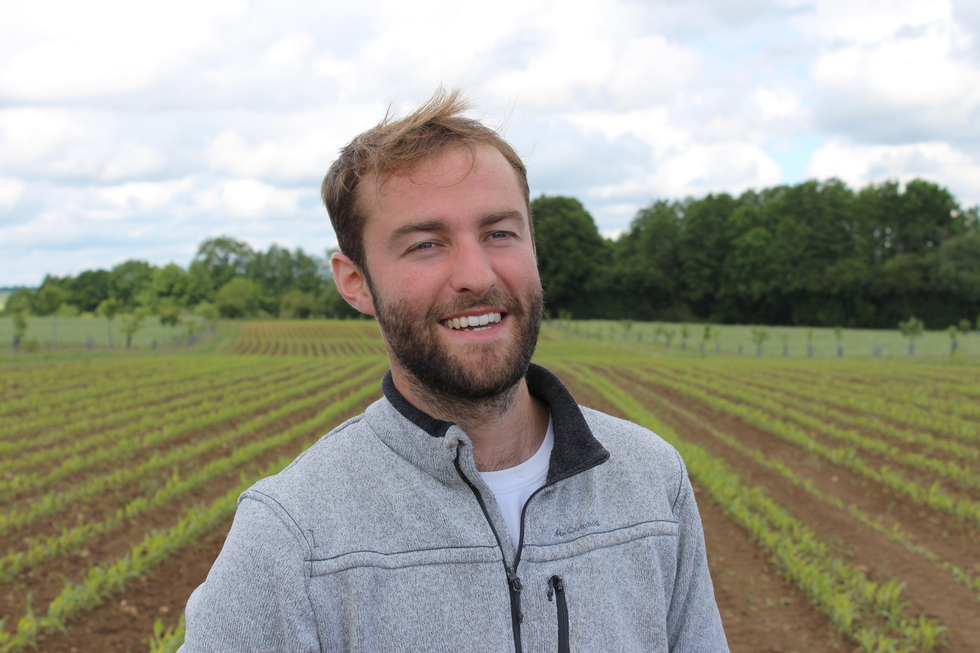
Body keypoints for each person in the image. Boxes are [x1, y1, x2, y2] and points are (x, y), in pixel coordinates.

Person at [180, 89, 728, 652]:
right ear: (356, 281)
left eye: (499, 234)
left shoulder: (652, 482)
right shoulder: (293, 535)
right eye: (425, 244)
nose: (476, 274)